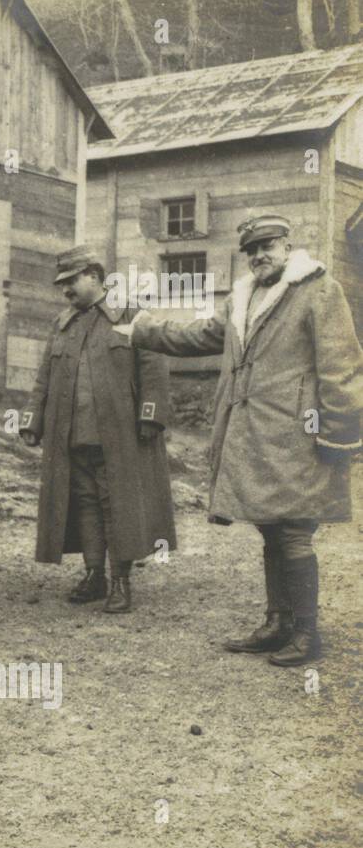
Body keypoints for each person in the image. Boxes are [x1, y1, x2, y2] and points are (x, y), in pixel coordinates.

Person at [118, 215, 363, 666]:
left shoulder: (318, 289)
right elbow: (204, 335)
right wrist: (145, 331)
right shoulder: (244, 297)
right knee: (270, 528)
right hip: (257, 436)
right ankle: (277, 624)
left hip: (300, 435)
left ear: (288, 246)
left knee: (293, 534)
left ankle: (308, 635)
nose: (259, 256)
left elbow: (342, 366)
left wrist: (340, 436)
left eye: (268, 246)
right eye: (251, 250)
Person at [20, 244, 175, 614]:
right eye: (62, 284)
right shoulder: (62, 324)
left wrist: (150, 415)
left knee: (118, 505)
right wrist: (32, 419)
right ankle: (94, 575)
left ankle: (121, 580)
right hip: (71, 434)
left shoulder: (132, 315)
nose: (65, 290)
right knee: (85, 503)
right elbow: (44, 377)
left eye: (71, 281)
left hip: (120, 435)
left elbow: (153, 369)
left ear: (93, 275)